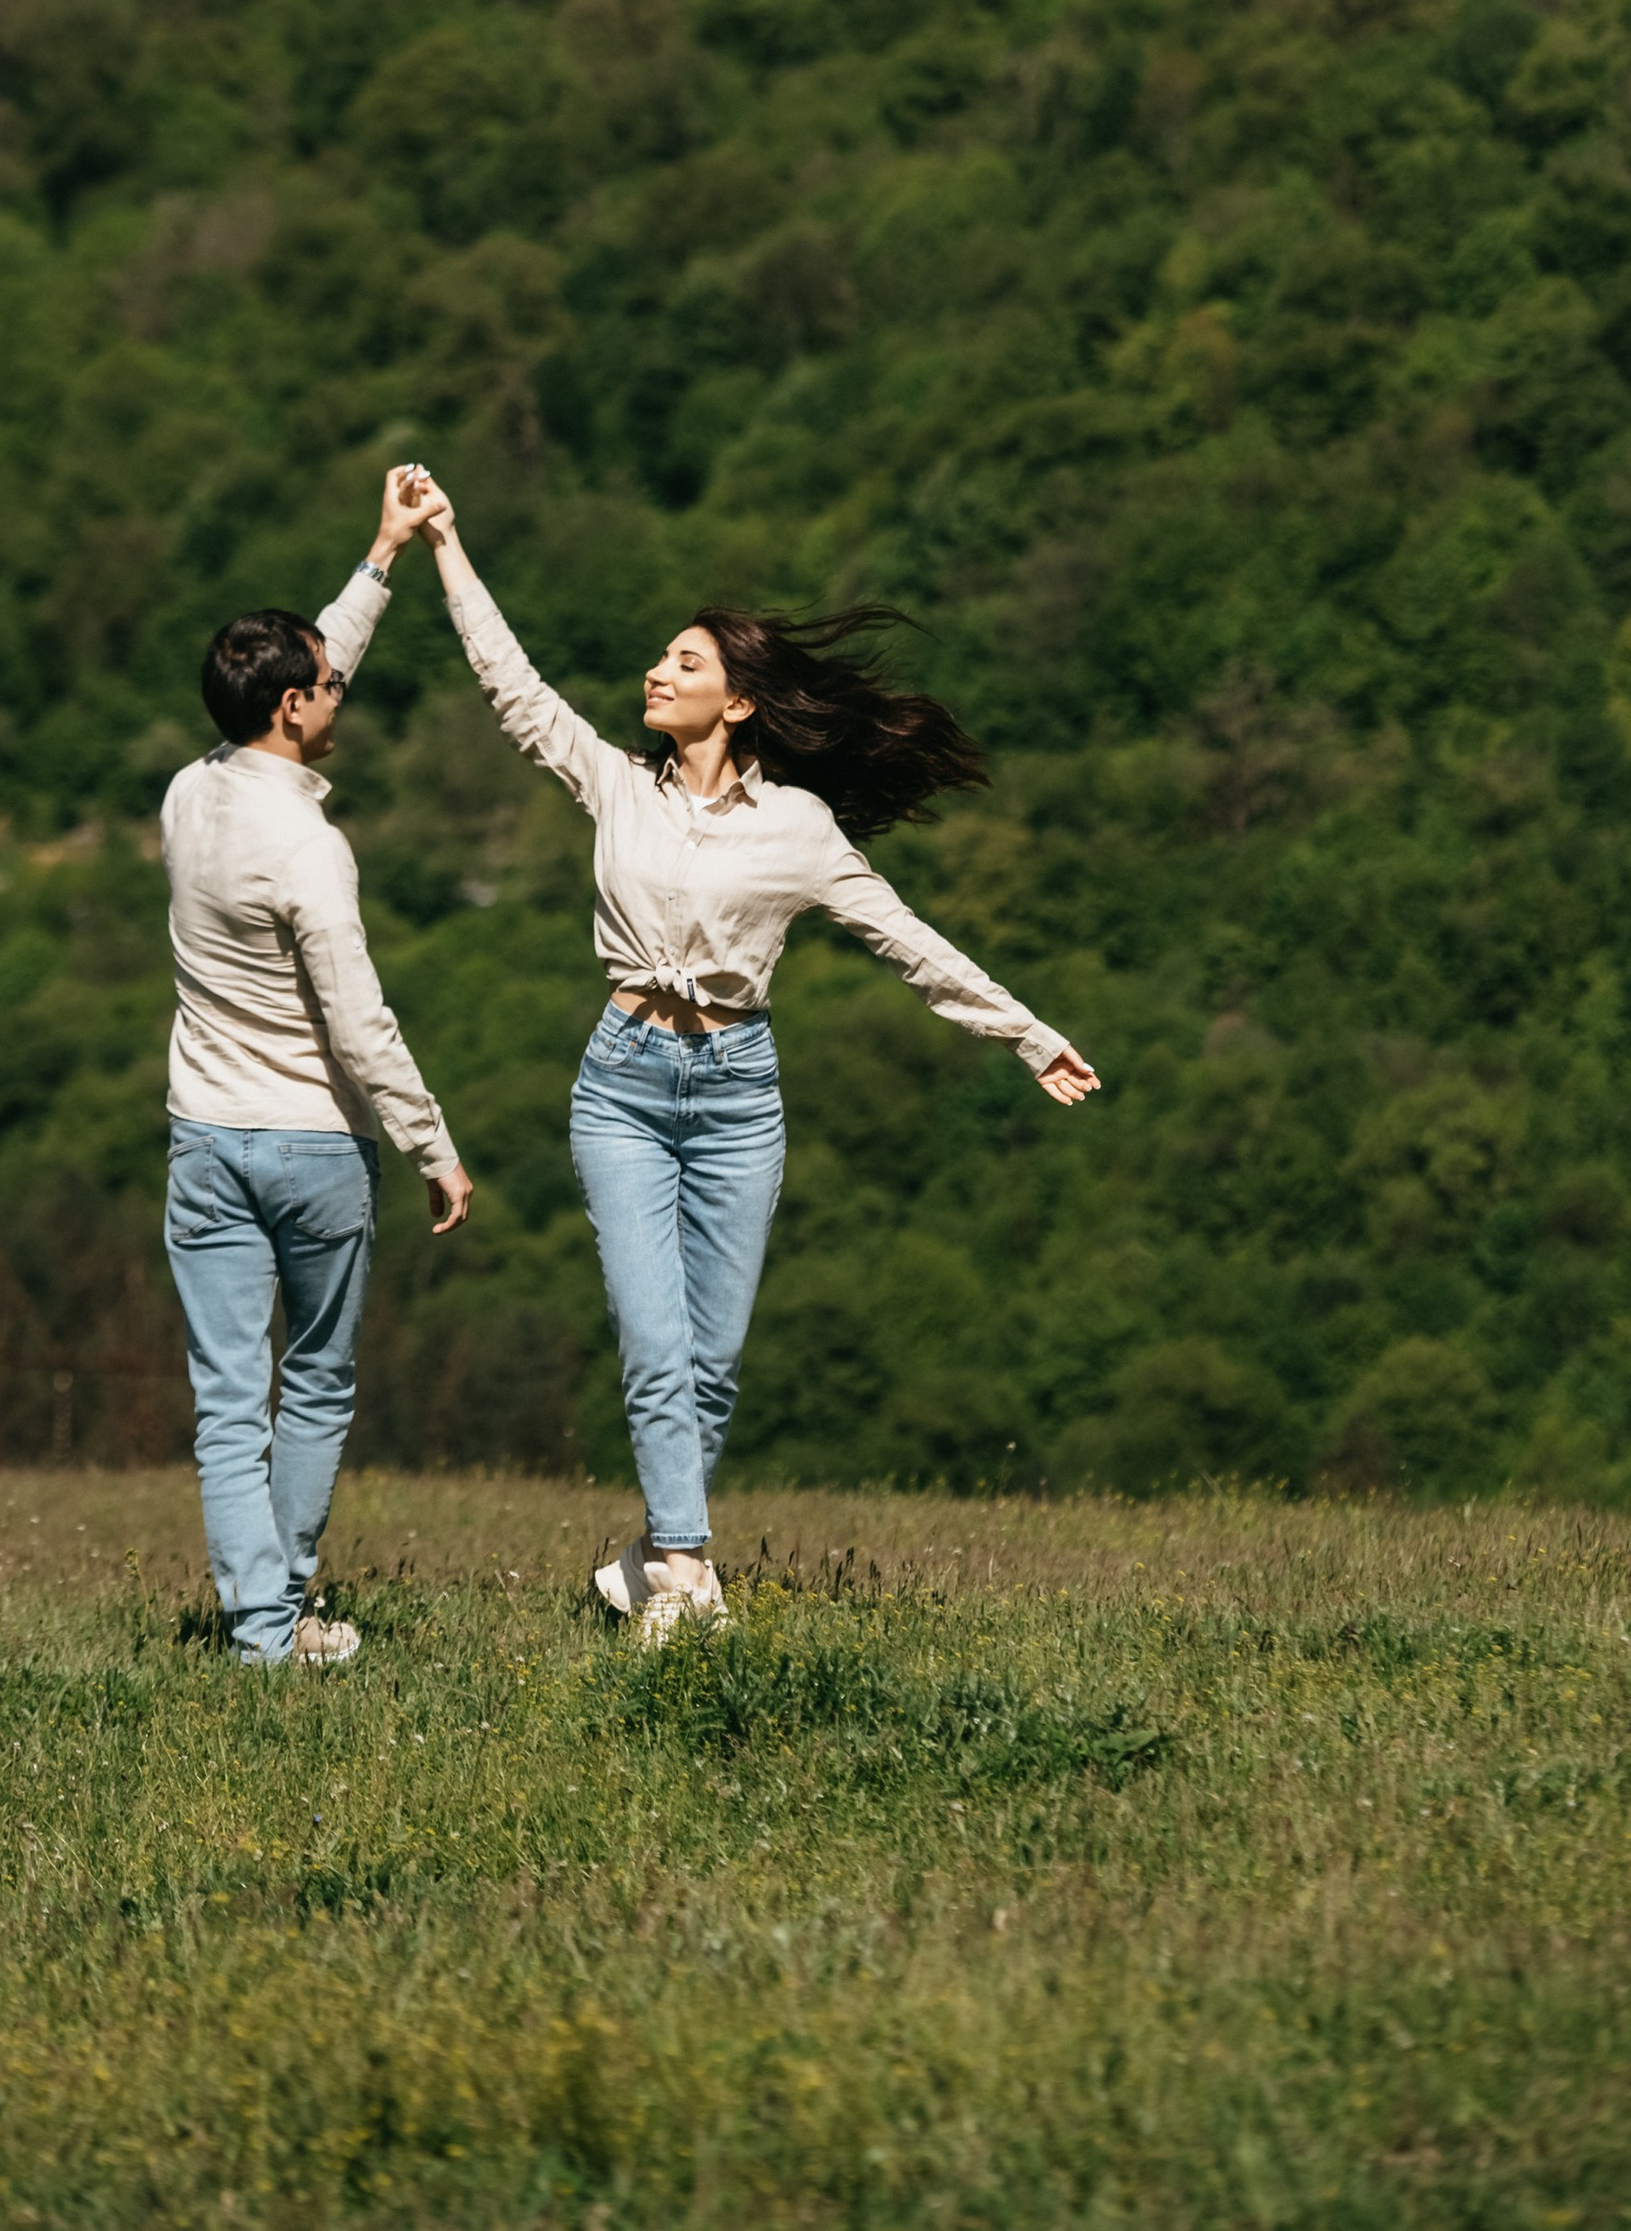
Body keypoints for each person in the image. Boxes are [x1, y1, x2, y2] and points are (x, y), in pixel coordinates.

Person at [407, 480, 1095, 1647]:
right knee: (654, 1343)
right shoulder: (615, 784)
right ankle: (684, 1578)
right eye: (659, 661)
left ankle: (643, 1559)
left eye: (683, 663)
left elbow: (903, 938)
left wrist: (1023, 1031)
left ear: (738, 701)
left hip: (736, 1098)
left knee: (712, 1364)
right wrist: (447, 543)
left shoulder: (800, 831)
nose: (655, 674)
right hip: (621, 1084)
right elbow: (510, 688)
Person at [161, 465, 474, 1668]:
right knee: (318, 1386)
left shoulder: (189, 798)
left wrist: (380, 557)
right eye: (325, 688)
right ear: (295, 708)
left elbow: (297, 672)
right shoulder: (311, 850)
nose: (338, 692)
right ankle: (275, 1624)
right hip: (311, 1146)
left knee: (228, 1401)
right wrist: (433, 1146)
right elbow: (359, 1023)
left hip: (203, 1136)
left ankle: (260, 1632)